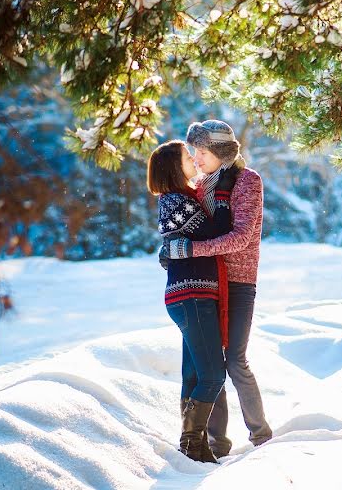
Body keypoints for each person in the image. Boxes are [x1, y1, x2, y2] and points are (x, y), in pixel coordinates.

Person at [163, 120, 273, 456]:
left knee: (234, 359)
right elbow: (191, 229)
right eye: (193, 152)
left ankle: (262, 436)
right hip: (206, 283)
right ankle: (216, 441)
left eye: (201, 151)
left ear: (220, 152)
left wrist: (190, 250)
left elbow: (240, 237)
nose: (195, 158)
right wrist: (169, 248)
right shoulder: (199, 186)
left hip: (238, 281)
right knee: (207, 362)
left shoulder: (246, 181)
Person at [147, 139, 235, 463]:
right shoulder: (175, 200)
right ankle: (189, 443)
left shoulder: (181, 198)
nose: (193, 161)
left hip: (192, 295)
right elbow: (217, 230)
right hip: (191, 296)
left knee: (196, 375)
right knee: (213, 375)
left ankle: (197, 451)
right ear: (174, 166)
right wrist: (223, 192)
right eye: (187, 157)